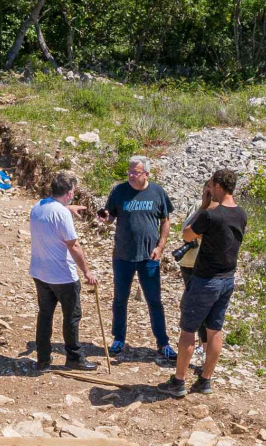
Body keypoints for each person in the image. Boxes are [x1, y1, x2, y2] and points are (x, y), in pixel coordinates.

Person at [158, 168, 246, 396]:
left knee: (188, 330)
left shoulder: (210, 215)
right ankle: (205, 379)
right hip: (227, 279)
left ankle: (178, 382)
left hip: (205, 280)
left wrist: (205, 206)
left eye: (210, 185)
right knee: (215, 330)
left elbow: (187, 235)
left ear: (218, 186)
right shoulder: (240, 214)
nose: (208, 190)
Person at [96, 155, 177, 362]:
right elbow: (111, 217)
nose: (131, 175)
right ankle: (118, 339)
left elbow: (165, 221)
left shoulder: (157, 192)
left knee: (154, 301)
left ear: (147, 174)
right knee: (120, 299)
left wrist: (160, 246)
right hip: (123, 255)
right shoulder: (119, 190)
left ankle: (163, 343)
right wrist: (105, 218)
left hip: (149, 256)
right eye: (129, 171)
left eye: (136, 172)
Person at [28, 170, 98, 372]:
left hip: (40, 272)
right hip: (62, 275)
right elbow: (73, 246)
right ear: (68, 193)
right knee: (72, 317)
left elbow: (54, 212)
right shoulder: (62, 214)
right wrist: (86, 271)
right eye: (73, 192)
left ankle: (43, 359)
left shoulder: (37, 207)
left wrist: (69, 208)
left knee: (45, 315)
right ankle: (74, 357)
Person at [177, 182, 210, 366]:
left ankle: (205, 349)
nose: (206, 194)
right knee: (192, 307)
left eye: (209, 190)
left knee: (201, 310)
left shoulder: (216, 211)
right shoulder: (197, 206)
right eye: (204, 190)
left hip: (201, 265)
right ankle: (200, 345)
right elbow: (186, 231)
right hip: (188, 263)